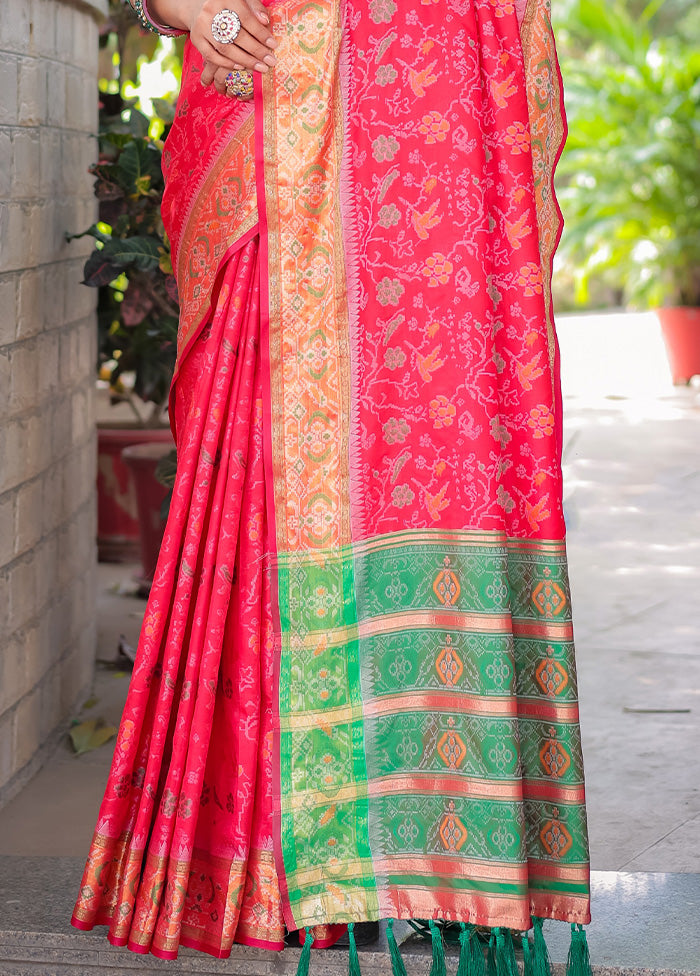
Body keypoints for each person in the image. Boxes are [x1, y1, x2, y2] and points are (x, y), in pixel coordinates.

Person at [72, 0, 592, 969]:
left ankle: (439, 860)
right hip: (286, 120)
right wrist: (186, 9)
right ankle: (276, 863)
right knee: (275, 471)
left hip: (444, 118)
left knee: (445, 449)